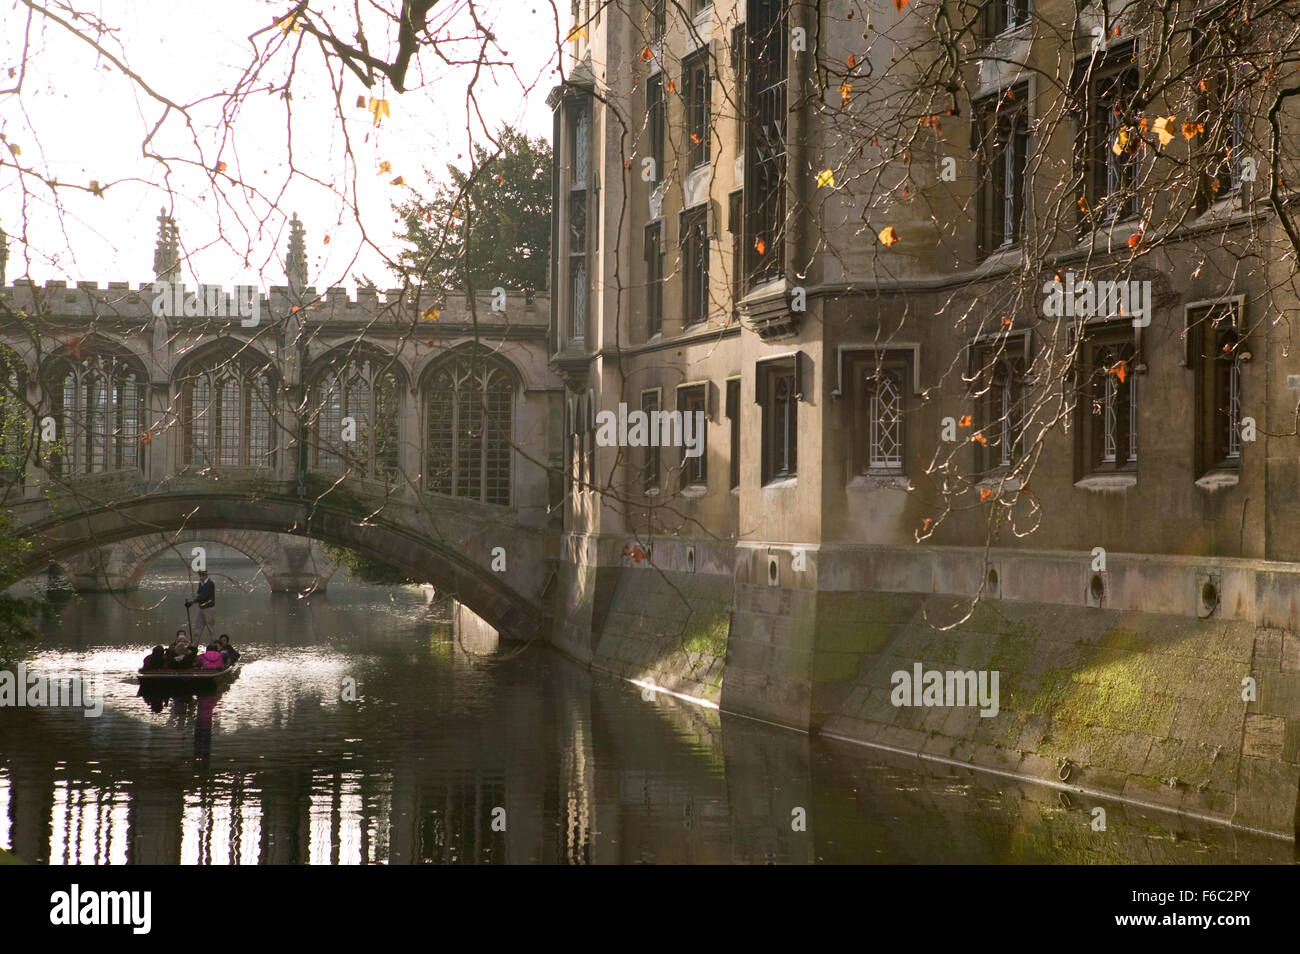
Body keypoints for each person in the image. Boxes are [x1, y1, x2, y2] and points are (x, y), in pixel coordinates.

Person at [188, 571, 216, 642]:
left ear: (205, 575)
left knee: (210, 628)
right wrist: (193, 602)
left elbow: (204, 596)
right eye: (200, 575)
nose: (200, 577)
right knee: (198, 628)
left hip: (209, 608)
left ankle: (213, 646)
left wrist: (192, 602)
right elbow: (199, 594)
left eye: (202, 575)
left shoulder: (210, 584)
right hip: (201, 608)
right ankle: (194, 646)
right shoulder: (201, 583)